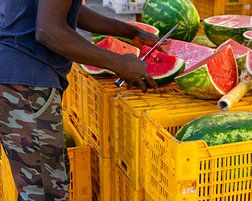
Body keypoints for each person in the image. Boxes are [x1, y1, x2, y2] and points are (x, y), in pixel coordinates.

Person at [0, 0, 158, 200]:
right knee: (44, 193)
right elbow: (49, 32)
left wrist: (130, 31)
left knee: (42, 185)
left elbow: (72, 10)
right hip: (26, 82)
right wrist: (120, 64)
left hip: (15, 78)